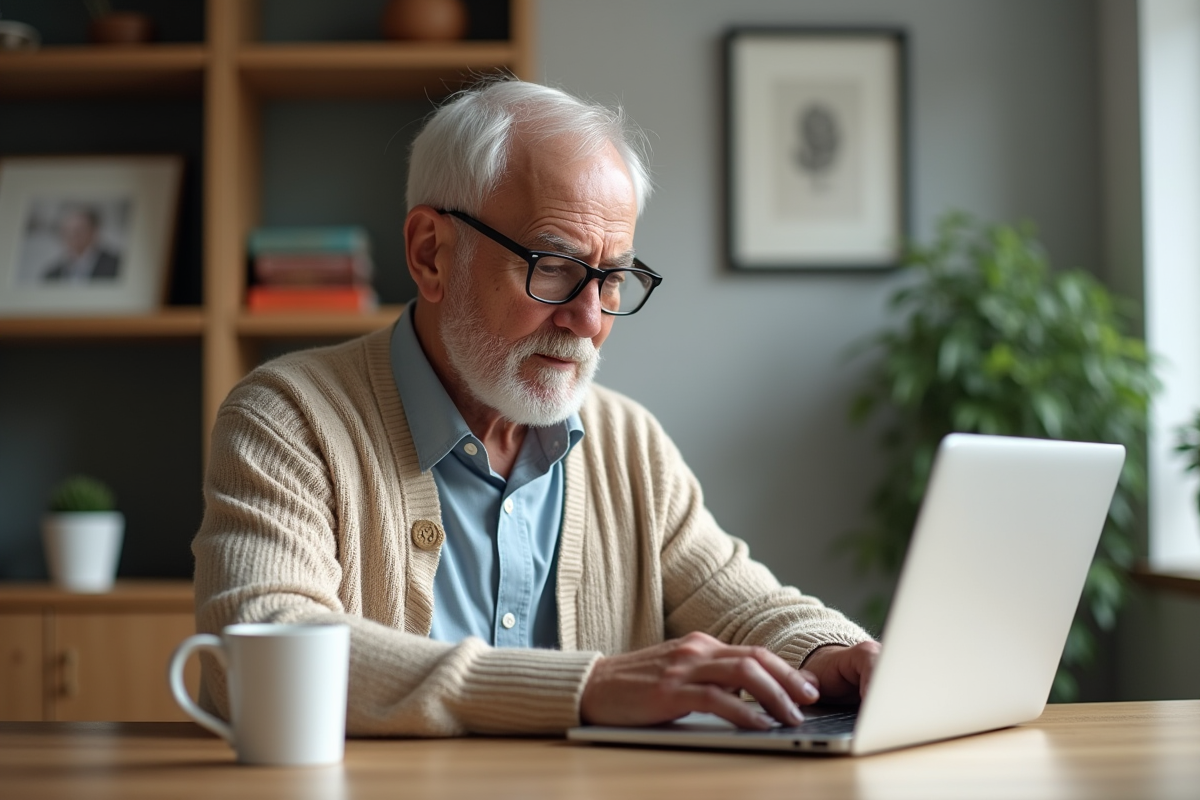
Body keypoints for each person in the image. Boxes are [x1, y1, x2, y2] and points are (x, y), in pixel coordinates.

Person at [192, 78, 879, 737]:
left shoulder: (627, 442)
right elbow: (258, 648)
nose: (588, 319)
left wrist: (833, 654)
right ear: (431, 253)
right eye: (552, 266)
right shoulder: (289, 418)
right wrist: (587, 688)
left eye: (612, 277)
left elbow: (743, 605)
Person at [41, 204, 121, 282]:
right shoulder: (52, 274)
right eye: (67, 230)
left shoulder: (117, 265)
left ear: (94, 231)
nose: (72, 235)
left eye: (79, 230)